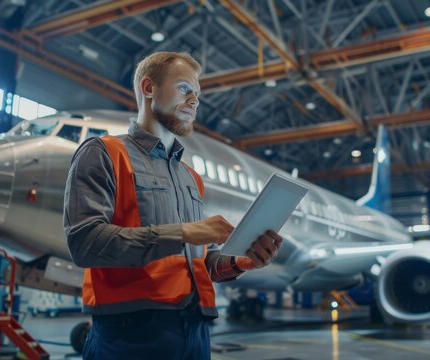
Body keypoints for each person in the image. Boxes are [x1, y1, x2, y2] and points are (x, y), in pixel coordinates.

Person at [63, 51, 283, 360]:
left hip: (195, 333)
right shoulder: (103, 153)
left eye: (197, 94)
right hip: (131, 335)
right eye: (184, 88)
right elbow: (84, 244)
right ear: (149, 88)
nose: (194, 100)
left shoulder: (190, 177)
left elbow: (196, 264)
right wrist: (184, 232)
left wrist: (241, 261)